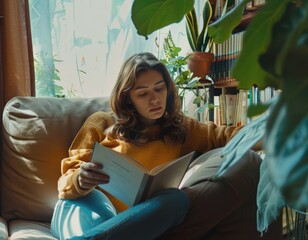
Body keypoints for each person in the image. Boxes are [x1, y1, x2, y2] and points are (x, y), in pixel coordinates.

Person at [51, 52, 282, 240]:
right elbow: (66, 180)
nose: (155, 99)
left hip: (140, 223)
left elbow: (227, 136)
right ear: (127, 98)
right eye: (143, 93)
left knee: (177, 200)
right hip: (89, 206)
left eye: (159, 89)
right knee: (94, 201)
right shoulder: (101, 122)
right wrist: (80, 179)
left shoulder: (179, 129)